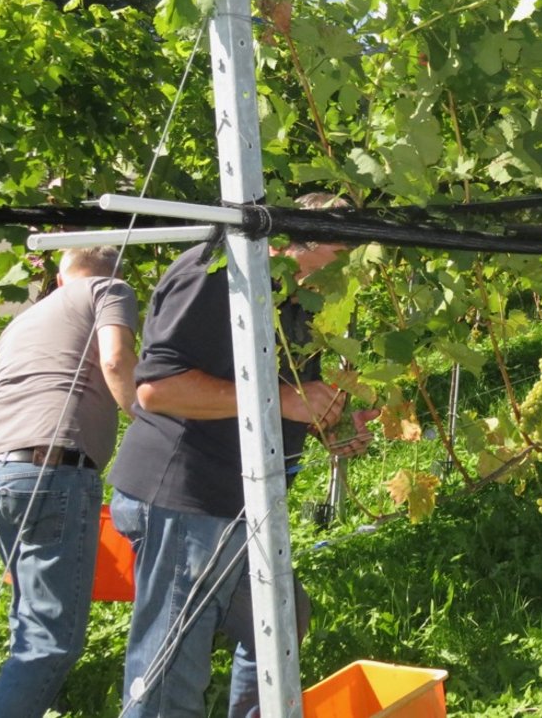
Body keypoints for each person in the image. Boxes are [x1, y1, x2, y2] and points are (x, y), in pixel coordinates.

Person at [108, 196, 377, 718]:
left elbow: (292, 392)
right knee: (169, 676)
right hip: (183, 495)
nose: (351, 275)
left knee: (280, 623)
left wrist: (333, 425)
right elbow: (156, 389)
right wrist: (283, 400)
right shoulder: (218, 272)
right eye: (342, 258)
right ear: (295, 243)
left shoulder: (299, 300)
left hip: (239, 501)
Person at [0, 245, 139, 718]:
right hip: (52, 471)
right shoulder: (109, 289)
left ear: (61, 277)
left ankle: (37, 698)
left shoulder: (25, 319)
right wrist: (152, 420)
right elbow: (116, 361)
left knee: (31, 611)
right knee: (51, 639)